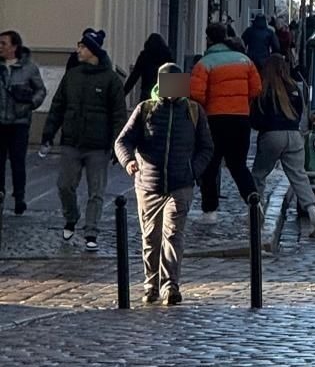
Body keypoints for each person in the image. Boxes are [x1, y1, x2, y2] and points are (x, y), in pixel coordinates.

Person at [115, 63, 213, 306]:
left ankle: (170, 286)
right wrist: (128, 162)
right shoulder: (145, 109)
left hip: (180, 185)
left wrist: (193, 170)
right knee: (151, 238)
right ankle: (151, 284)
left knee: (173, 234)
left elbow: (206, 147)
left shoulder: (193, 111)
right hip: (148, 185)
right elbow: (122, 141)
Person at [40, 28, 126, 249]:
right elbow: (58, 106)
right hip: (72, 141)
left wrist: (118, 145)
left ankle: (91, 232)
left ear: (93, 51)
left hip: (98, 145)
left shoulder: (111, 79)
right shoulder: (72, 76)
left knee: (96, 191)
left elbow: (118, 115)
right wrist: (48, 133)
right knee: (64, 185)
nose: (78, 50)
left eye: (83, 47)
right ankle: (71, 217)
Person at [189, 22, 261, 223]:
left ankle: (210, 211)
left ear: (209, 39)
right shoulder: (245, 61)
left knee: (210, 165)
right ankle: (253, 201)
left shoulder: (204, 63)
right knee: (238, 165)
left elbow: (196, 94)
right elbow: (256, 88)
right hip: (241, 119)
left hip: (214, 120)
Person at [250, 55, 315, 237]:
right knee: (299, 176)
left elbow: (256, 119)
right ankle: (313, 212)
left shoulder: (263, 89)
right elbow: (301, 114)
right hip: (294, 135)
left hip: (272, 135)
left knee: (259, 174)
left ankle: (257, 209)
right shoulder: (294, 88)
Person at [0, 29, 47, 215]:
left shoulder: (28, 68)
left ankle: (19, 197)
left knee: (18, 161)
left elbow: (41, 90)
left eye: (3, 43)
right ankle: (0, 195)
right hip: (0, 121)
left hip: (19, 122)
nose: (0, 47)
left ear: (14, 47)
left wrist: (31, 104)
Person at [124, 33, 174, 103]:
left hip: (147, 91)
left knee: (145, 108)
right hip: (162, 93)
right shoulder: (167, 56)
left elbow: (134, 76)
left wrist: (123, 93)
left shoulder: (144, 56)